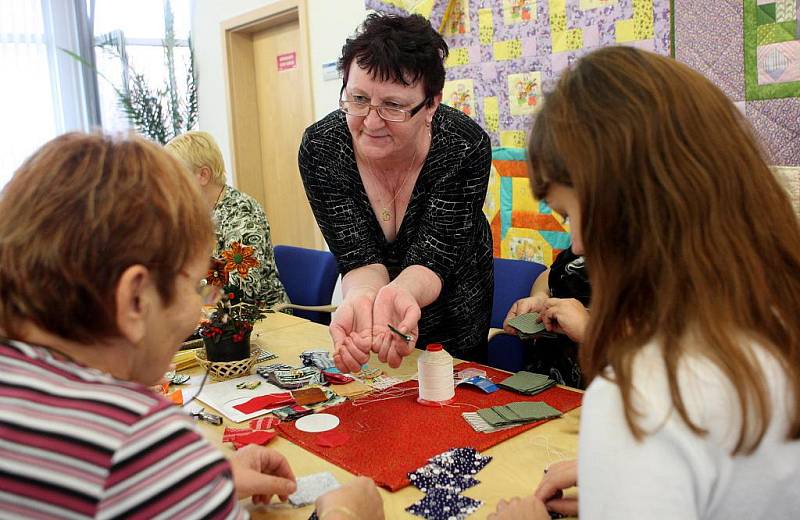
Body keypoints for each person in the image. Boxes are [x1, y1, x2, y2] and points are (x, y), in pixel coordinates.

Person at [0, 132, 382, 518]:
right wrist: (346, 514)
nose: (197, 309)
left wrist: (191, 487)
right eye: (191, 284)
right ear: (135, 300)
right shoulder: (135, 441)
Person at [490, 46, 800, 519]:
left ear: (632, 210)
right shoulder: (775, 320)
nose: (575, 245)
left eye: (573, 214)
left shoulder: (645, 396)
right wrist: (627, 481)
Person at [298, 13, 493, 372]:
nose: (371, 122)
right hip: (374, 327)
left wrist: (399, 295)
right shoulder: (322, 150)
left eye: (393, 106)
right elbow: (358, 257)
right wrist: (360, 298)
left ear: (431, 104)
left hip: (454, 316)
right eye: (358, 98)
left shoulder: (464, 147)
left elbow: (434, 259)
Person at [165, 130, 290, 308]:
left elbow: (241, 290)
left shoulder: (243, 214)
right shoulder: (192, 213)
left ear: (203, 175)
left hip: (261, 319)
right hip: (212, 315)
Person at [503, 246, 591, 388]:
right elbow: (550, 275)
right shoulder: (579, 250)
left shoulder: (634, 263)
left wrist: (589, 330)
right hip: (546, 375)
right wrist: (541, 298)